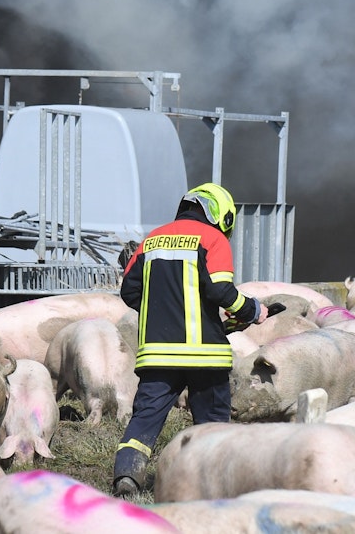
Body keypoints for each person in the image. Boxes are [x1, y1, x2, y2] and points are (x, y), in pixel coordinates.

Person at [111, 182, 267, 497]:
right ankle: (210, 487)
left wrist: (162, 309)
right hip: (206, 356)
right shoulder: (213, 239)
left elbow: (129, 291)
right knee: (212, 427)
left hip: (158, 355)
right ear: (221, 215)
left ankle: (127, 478)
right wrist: (252, 309)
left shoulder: (151, 240)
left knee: (144, 420)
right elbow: (221, 292)